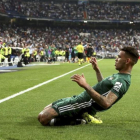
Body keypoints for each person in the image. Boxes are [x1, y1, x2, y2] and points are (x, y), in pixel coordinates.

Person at [38, 47, 139, 126]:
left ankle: (80, 120)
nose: (116, 59)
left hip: (81, 103)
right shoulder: (119, 76)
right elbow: (102, 86)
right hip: (79, 98)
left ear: (127, 61)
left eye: (119, 57)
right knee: (46, 108)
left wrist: (86, 85)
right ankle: (81, 116)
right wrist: (97, 70)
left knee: (43, 118)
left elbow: (107, 103)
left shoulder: (122, 81)